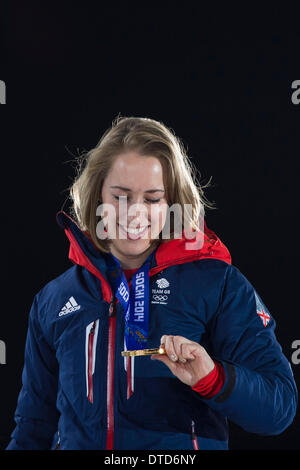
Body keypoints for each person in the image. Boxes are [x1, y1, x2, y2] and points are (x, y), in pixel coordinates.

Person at [6, 116, 297, 450]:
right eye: (121, 196)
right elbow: (33, 429)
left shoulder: (217, 284)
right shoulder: (54, 299)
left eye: (153, 198)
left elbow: (279, 408)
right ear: (97, 196)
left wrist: (211, 378)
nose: (134, 213)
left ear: (173, 202)